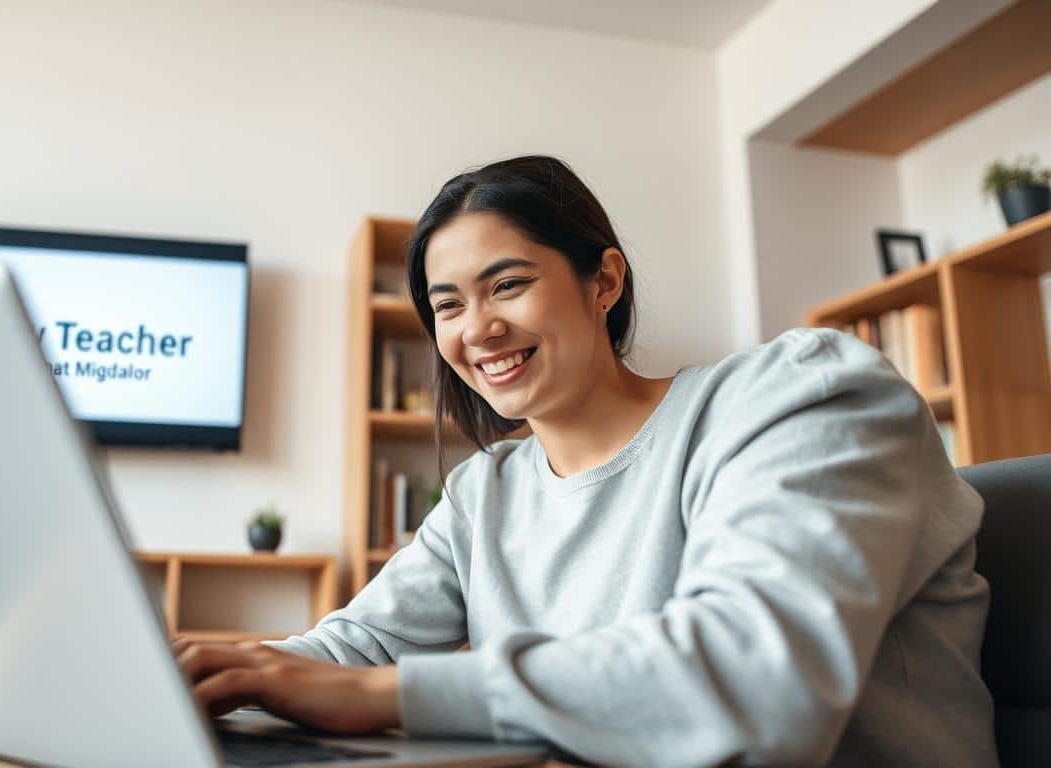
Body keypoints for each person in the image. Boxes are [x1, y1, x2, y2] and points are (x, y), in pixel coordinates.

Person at [173, 156, 998, 766]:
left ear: (604, 282)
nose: (477, 329)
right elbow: (350, 651)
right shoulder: (482, 495)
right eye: (447, 305)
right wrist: (217, 679)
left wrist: (372, 699)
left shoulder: (797, 394)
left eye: (507, 285)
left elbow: (757, 679)